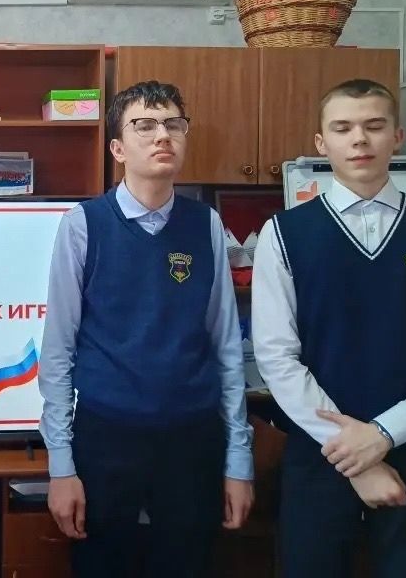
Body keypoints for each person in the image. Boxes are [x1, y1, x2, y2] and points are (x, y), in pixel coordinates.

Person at [252, 78, 406, 577]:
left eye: (374, 126)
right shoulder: (285, 233)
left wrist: (384, 434)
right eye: (343, 128)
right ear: (322, 143)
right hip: (319, 458)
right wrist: (355, 455)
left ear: (397, 137)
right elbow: (276, 355)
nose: (359, 139)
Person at [38, 80, 254, 578]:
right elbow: (58, 352)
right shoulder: (84, 225)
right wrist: (61, 466)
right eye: (145, 125)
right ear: (118, 149)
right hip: (106, 435)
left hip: (192, 437)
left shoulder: (205, 225)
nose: (163, 135)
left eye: (173, 124)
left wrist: (239, 461)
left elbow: (225, 345)